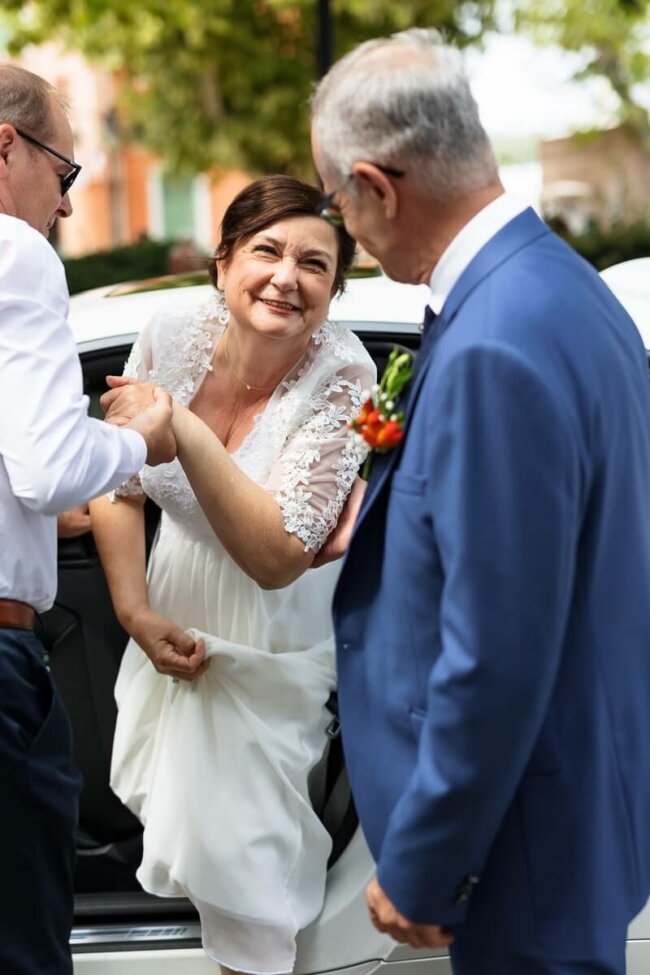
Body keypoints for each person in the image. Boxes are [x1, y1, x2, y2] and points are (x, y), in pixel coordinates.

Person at [310, 28, 650, 975]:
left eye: (340, 202)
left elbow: (497, 641)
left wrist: (424, 863)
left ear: (377, 186)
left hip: (523, 837)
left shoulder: (494, 339)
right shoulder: (569, 294)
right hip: (579, 798)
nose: (349, 228)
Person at [89, 175, 375, 975]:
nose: (288, 276)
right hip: (174, 606)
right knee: (208, 857)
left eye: (316, 265)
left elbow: (279, 553)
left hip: (266, 637)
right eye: (267, 251)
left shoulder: (345, 379)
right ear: (222, 263)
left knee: (250, 882)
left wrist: (176, 424)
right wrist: (135, 612)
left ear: (333, 290)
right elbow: (119, 483)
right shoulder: (170, 330)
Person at [0, 64, 175, 975]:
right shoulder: (14, 252)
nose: (66, 207)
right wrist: (144, 441)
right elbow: (49, 464)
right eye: (65, 176)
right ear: (5, 146)